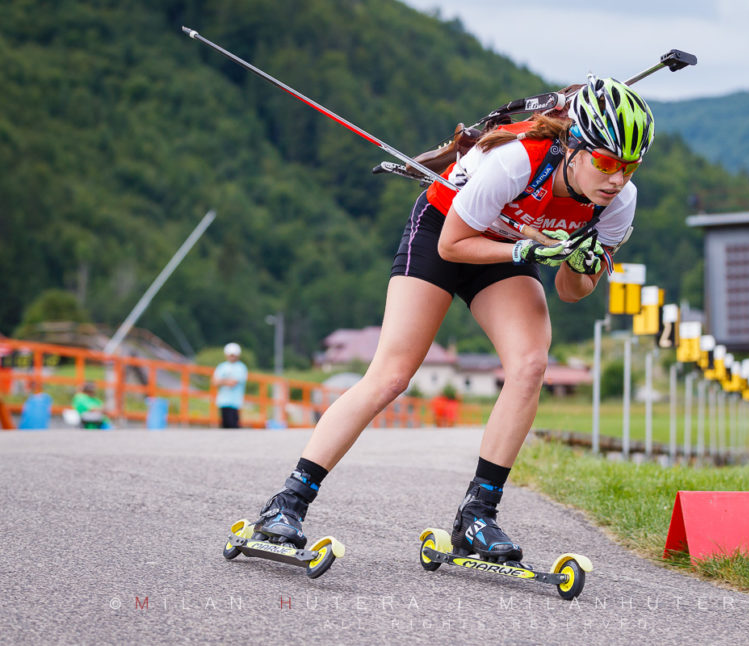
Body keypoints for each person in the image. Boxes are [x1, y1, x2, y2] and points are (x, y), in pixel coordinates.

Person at [249, 77, 654, 561]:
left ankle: (478, 516)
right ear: (574, 145)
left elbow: (571, 292)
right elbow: (453, 246)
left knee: (529, 364)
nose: (617, 178)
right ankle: (287, 502)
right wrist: (525, 248)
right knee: (392, 376)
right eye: (607, 162)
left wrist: (581, 263)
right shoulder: (516, 160)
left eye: (629, 167)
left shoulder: (618, 204)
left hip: (508, 245)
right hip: (447, 232)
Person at [213, 342, 248, 429]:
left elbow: (233, 383)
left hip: (235, 402)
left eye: (233, 355)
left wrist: (222, 381)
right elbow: (214, 382)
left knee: (233, 425)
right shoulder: (222, 366)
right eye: (230, 355)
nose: (232, 357)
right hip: (223, 401)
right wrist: (226, 381)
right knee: (225, 425)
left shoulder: (241, 367)